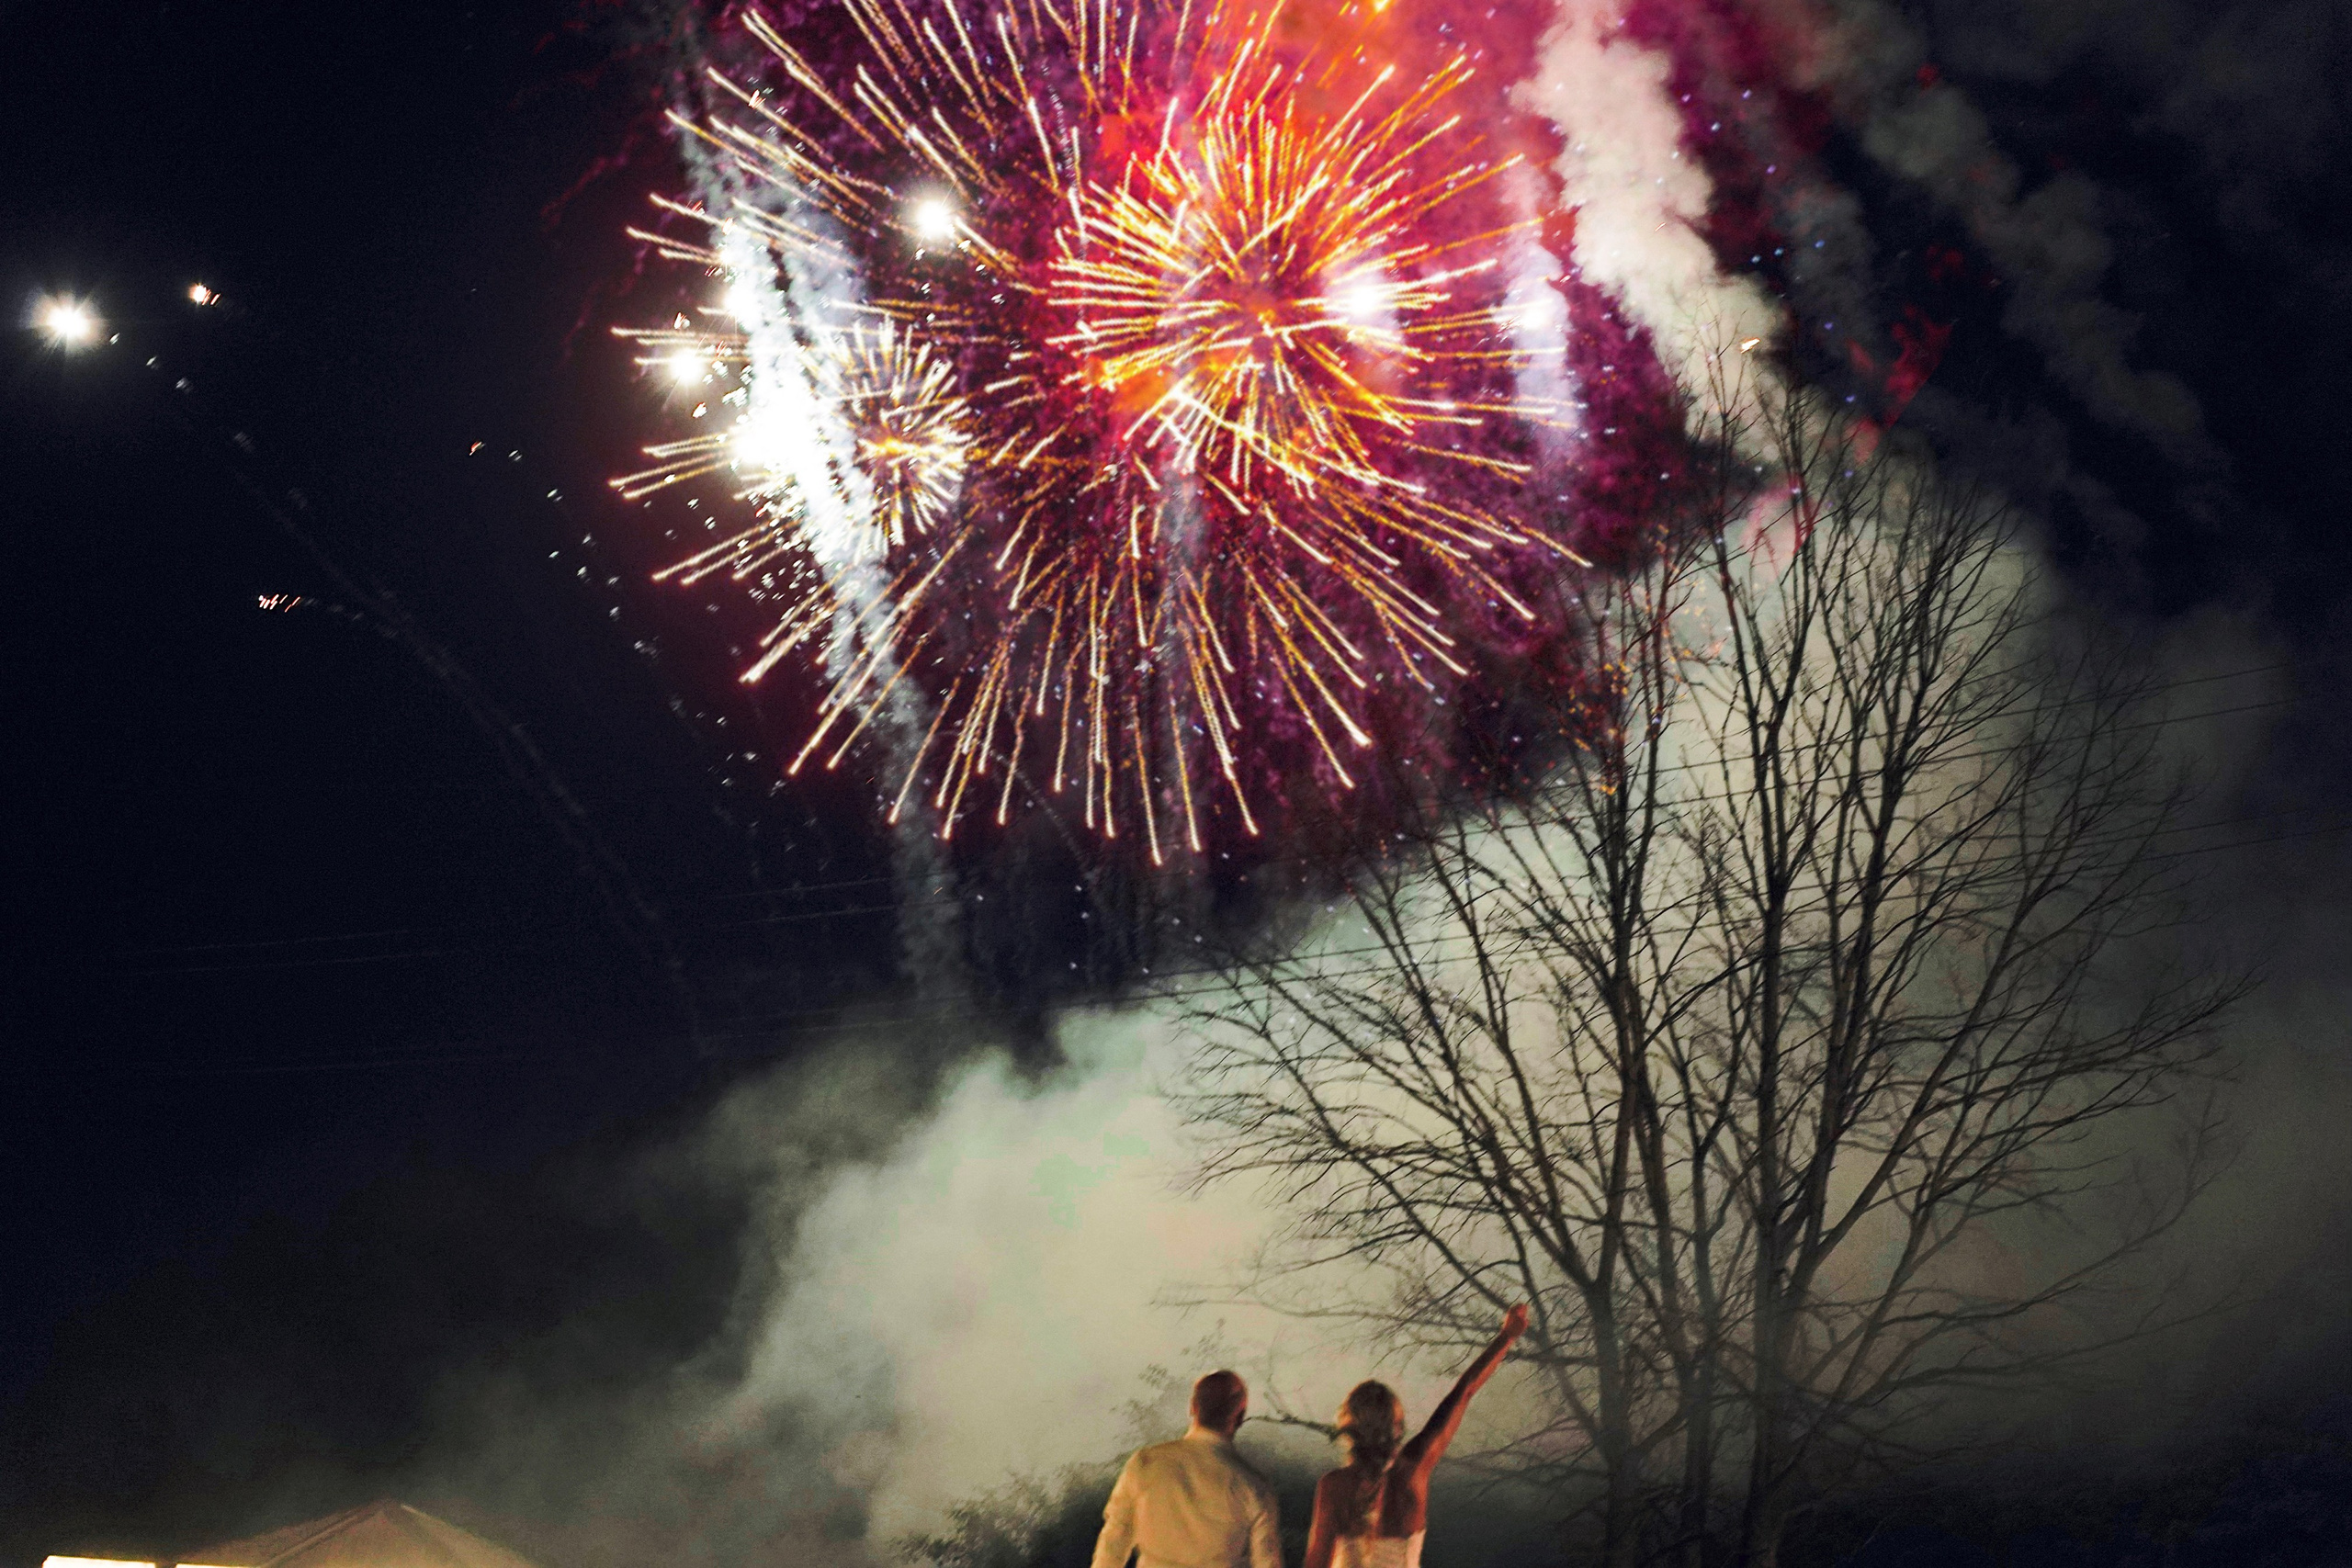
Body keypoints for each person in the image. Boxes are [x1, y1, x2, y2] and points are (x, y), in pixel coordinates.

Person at [1302, 1305, 1530, 1568]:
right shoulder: (1413, 1471)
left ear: (1349, 1430)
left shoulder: (1333, 1487)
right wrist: (1507, 1336)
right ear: (1397, 1428)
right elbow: (1463, 1393)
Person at [1091, 1369, 1283, 1568]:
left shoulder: (1145, 1463)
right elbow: (1267, 1563)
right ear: (1241, 1415)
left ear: (1192, 1407)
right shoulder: (1255, 1486)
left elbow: (1113, 1544)